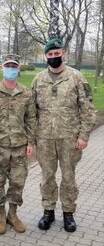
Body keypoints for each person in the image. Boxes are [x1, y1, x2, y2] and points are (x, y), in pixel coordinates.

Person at [32, 38, 96, 232]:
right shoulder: (38, 80)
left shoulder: (76, 78)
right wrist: (32, 138)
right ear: (45, 56)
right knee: (47, 177)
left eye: (57, 53)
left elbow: (88, 109)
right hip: (44, 139)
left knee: (69, 177)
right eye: (50, 54)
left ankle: (68, 213)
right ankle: (48, 211)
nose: (54, 57)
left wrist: (83, 136)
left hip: (69, 138)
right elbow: (31, 111)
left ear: (63, 53)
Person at [0, 54, 36, 234]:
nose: (11, 69)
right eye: (8, 66)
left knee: (18, 183)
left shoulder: (26, 93)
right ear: (2, 68)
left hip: (19, 147)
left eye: (14, 66)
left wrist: (31, 141)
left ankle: (13, 214)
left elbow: (31, 118)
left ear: (18, 68)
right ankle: (1, 214)